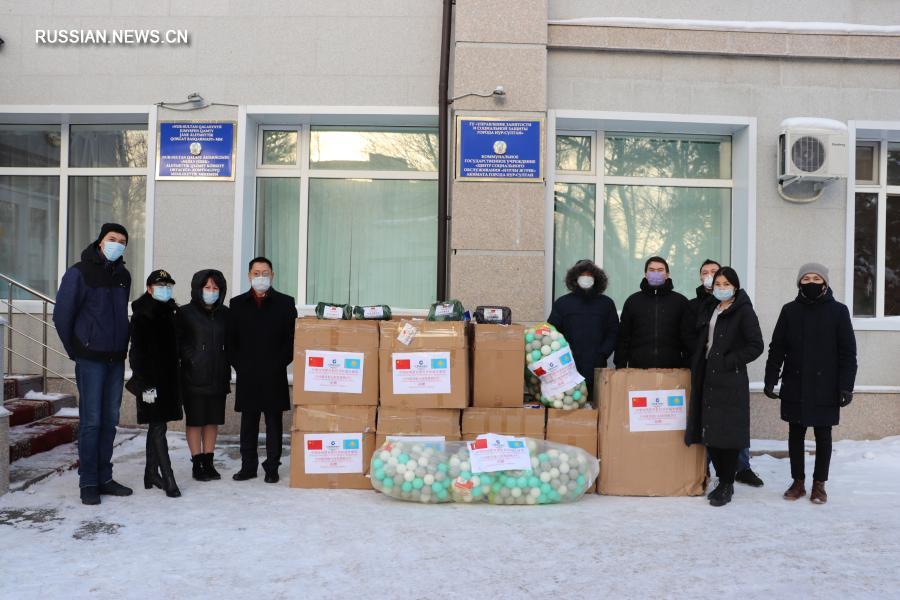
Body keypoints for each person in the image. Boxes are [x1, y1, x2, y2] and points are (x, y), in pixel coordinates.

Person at [764, 263, 857, 504]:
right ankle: (798, 482)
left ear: (825, 283)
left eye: (816, 278)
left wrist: (846, 386)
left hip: (827, 385)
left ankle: (819, 484)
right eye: (806, 279)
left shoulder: (839, 311)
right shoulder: (789, 311)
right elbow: (777, 348)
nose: (811, 282)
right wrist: (770, 378)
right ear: (799, 283)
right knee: (795, 433)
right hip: (795, 383)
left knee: (823, 435)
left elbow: (848, 353)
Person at [54, 223, 133, 505]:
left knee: (110, 421)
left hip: (114, 359)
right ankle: (88, 481)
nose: (117, 244)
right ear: (100, 241)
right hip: (90, 360)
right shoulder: (79, 272)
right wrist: (77, 350)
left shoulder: (123, 275)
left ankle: (104, 477)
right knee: (91, 421)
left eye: (122, 241)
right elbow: (62, 315)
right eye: (113, 239)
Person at [684, 267, 764, 507]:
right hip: (708, 377)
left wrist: (729, 361)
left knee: (728, 433)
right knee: (712, 432)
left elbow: (756, 345)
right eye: (718, 283)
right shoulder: (712, 307)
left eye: (726, 283)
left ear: (735, 286)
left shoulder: (744, 311)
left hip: (730, 379)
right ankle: (721, 480)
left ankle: (727, 484)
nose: (721, 287)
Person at [227, 257, 297, 483]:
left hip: (274, 372)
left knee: (274, 422)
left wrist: (278, 363)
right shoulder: (237, 304)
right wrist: (241, 366)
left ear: (272, 275)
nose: (261, 277)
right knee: (248, 422)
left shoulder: (286, 303)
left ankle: (272, 467)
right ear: (249, 276)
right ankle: (248, 466)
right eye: (256, 273)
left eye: (265, 273)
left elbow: (291, 341)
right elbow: (231, 342)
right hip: (247, 374)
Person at [127, 269, 183, 498]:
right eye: (160, 285)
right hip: (151, 380)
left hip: (169, 378)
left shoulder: (171, 311)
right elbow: (136, 352)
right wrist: (144, 383)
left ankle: (150, 473)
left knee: (157, 425)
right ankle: (168, 478)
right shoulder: (143, 314)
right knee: (158, 426)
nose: (165, 289)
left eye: (168, 285)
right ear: (149, 289)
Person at [178, 269, 230, 482]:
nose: (211, 291)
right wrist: (193, 358)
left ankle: (208, 461)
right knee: (196, 420)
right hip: (193, 376)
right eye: (207, 287)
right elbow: (179, 342)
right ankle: (196, 462)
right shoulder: (185, 313)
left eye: (215, 288)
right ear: (198, 289)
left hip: (218, 375)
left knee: (212, 420)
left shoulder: (225, 314)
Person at [548, 259, 619, 400]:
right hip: (568, 366)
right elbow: (552, 332)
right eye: (582, 274)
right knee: (569, 403)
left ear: (597, 278)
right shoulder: (562, 303)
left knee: (597, 405)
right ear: (574, 278)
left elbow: (614, 332)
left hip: (597, 365)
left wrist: (603, 352)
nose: (586, 278)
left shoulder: (606, 303)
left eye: (589, 275)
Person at [614, 256, 690, 369]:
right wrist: (620, 366)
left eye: (660, 270)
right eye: (652, 270)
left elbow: (687, 337)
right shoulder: (633, 301)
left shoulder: (680, 302)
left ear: (667, 274)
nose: (656, 273)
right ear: (645, 274)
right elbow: (623, 337)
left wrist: (687, 366)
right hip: (638, 369)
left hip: (673, 370)